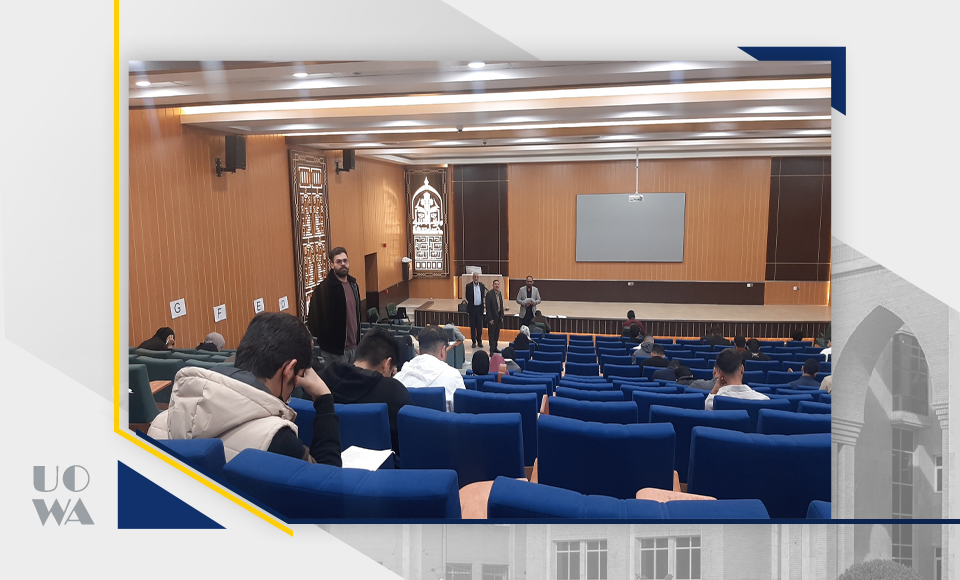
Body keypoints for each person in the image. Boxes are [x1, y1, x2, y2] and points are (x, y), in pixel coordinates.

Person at [148, 312, 341, 465]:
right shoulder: (277, 440)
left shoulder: (159, 423)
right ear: (289, 370)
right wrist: (324, 399)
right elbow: (327, 485)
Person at [320, 327, 411, 460]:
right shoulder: (394, 391)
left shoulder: (320, 385)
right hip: (381, 470)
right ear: (387, 364)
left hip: (325, 466)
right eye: (391, 372)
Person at [307, 246, 362, 366]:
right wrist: (328, 341)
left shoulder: (354, 285)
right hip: (334, 352)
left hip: (355, 347)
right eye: (339, 261)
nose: (343, 264)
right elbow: (313, 322)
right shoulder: (323, 289)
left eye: (345, 261)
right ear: (332, 265)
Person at [394, 325, 466, 411]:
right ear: (443, 351)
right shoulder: (454, 376)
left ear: (419, 352)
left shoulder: (398, 379)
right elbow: (462, 412)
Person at [705, 348, 770, 411]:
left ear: (719, 373)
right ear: (742, 369)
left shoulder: (712, 402)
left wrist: (714, 392)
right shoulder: (764, 400)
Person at [464, 272, 487, 348]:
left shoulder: (482, 286)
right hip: (472, 309)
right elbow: (467, 297)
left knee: (480, 326)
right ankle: (473, 341)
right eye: (475, 277)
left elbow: (483, 295)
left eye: (477, 277)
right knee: (473, 326)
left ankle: (479, 340)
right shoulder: (468, 286)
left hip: (479, 309)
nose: (476, 278)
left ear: (478, 278)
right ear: (472, 278)